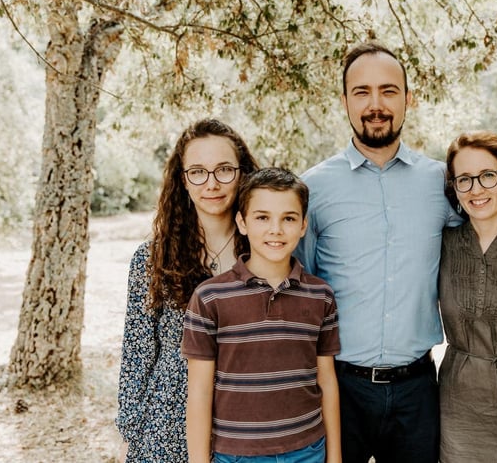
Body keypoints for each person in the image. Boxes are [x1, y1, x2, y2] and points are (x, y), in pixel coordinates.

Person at [294, 41, 461, 463]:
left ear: (408, 98)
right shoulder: (314, 189)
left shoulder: (441, 183)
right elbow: (301, 284)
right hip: (339, 386)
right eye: (362, 92)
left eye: (388, 91)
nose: (376, 104)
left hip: (418, 388)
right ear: (345, 101)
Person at [116, 118, 260, 462]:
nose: (211, 183)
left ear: (243, 173)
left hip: (245, 423)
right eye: (197, 171)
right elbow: (137, 352)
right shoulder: (152, 259)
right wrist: (129, 434)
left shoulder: (266, 251)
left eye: (224, 169)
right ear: (183, 180)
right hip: (167, 424)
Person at [182, 167, 342, 463]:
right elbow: (200, 392)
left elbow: (327, 382)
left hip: (307, 450)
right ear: (242, 222)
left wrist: (334, 457)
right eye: (262, 217)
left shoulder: (321, 296)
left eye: (289, 218)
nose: (276, 230)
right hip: (236, 454)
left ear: (304, 225)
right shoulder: (209, 297)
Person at [437, 131, 497, 463]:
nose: (476, 189)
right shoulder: (444, 243)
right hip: (457, 411)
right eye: (464, 180)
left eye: (487, 176)